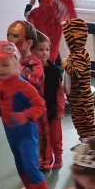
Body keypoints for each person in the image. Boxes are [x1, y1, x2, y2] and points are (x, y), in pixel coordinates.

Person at [0, 41, 50, 189]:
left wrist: (26, 115)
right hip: (10, 130)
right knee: (19, 160)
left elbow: (41, 106)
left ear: (16, 64)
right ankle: (29, 186)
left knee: (30, 162)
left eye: (5, 65)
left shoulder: (24, 86)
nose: (0, 69)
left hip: (27, 130)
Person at [7, 20, 52, 171]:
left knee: (41, 134)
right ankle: (31, 161)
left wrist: (17, 68)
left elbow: (34, 80)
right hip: (19, 107)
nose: (10, 40)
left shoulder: (35, 62)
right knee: (25, 136)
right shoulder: (13, 61)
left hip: (36, 106)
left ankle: (45, 161)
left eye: (15, 36)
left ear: (29, 42)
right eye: (8, 35)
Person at [62, 18, 95, 141]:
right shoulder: (75, 54)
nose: (66, 40)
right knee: (80, 124)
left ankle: (94, 145)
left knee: (87, 124)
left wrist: (65, 64)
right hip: (76, 98)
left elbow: (76, 73)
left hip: (82, 98)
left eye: (67, 37)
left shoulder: (80, 54)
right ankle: (84, 143)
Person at [34, 31, 65, 169]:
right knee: (42, 137)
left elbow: (59, 91)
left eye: (47, 49)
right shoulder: (30, 70)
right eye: (40, 50)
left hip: (53, 109)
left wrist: (60, 109)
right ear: (32, 50)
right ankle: (46, 158)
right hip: (39, 111)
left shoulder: (53, 70)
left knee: (56, 136)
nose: (45, 53)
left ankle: (58, 157)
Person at [24, 0, 63, 65]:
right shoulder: (56, 14)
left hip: (40, 49)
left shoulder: (34, 13)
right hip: (50, 48)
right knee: (55, 64)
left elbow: (27, 15)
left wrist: (30, 5)